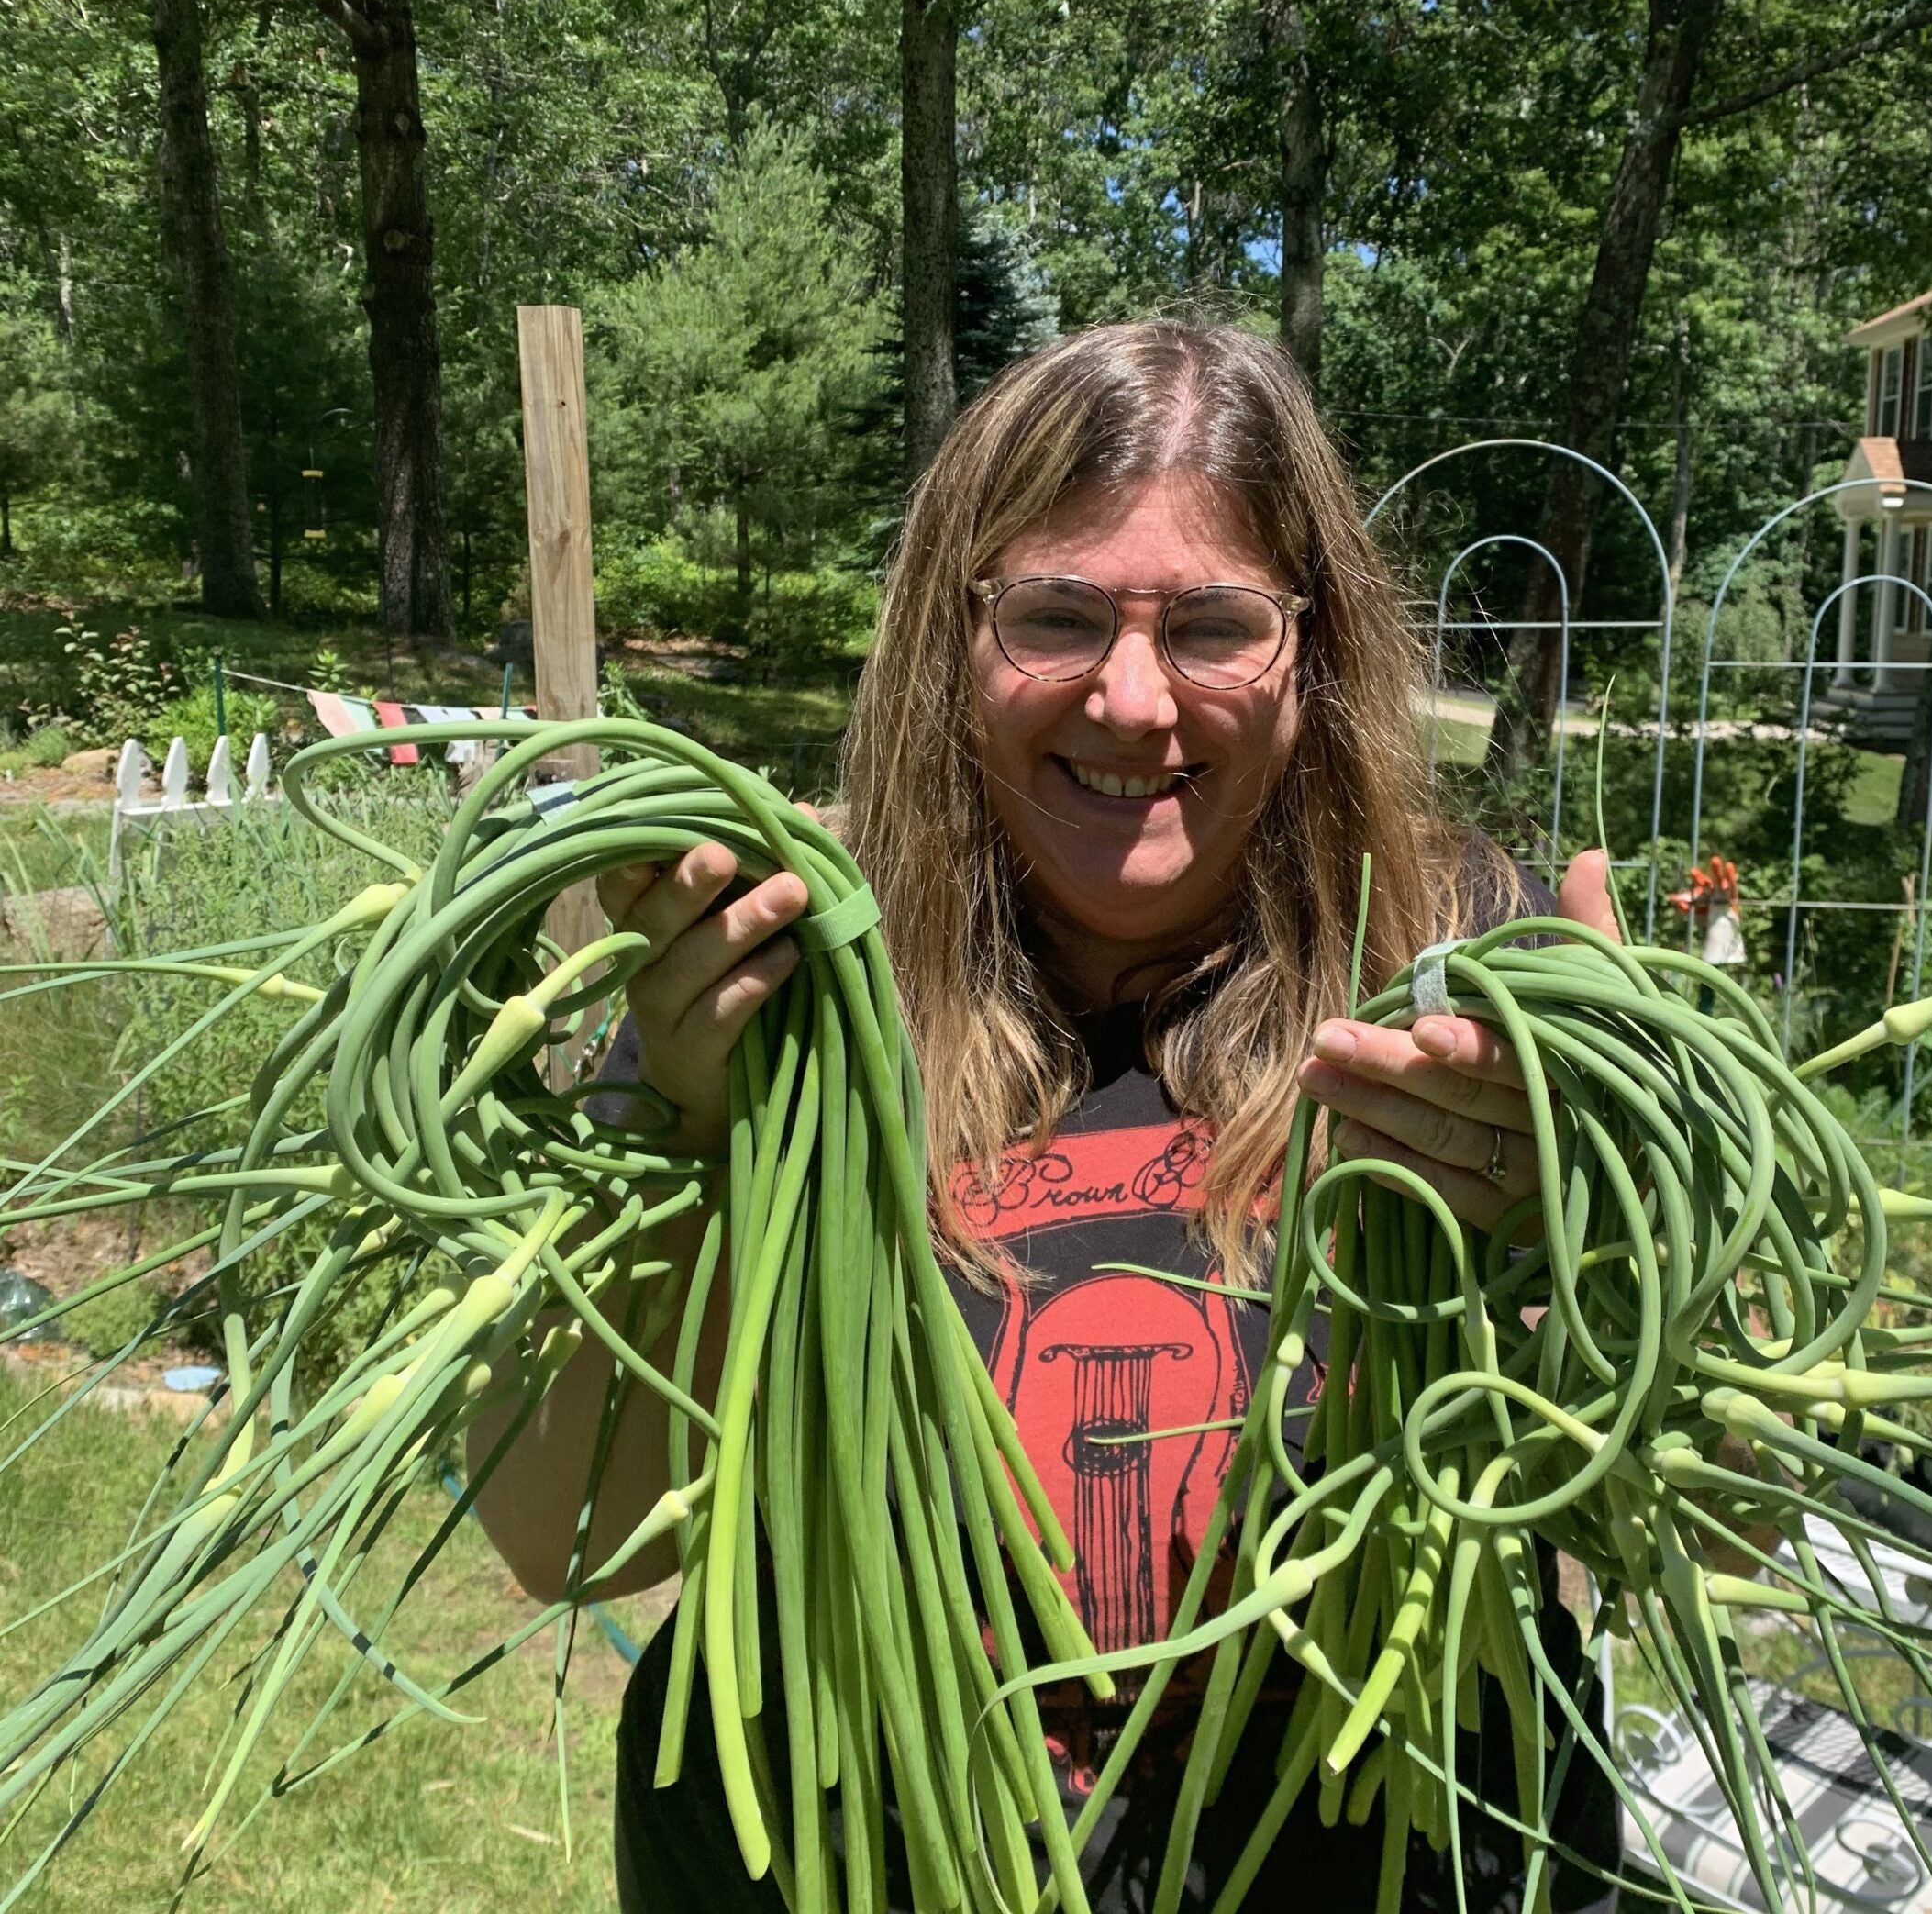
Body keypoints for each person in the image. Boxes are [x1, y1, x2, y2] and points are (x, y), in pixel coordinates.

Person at [468, 320, 1624, 1913]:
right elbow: (563, 1536)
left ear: (1315, 652)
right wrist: (696, 1132)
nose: (1132, 699)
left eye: (1213, 625)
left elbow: (1731, 1530)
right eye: (1056, 616)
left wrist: (1609, 1215)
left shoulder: (1461, 970)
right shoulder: (782, 970)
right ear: (952, 640)